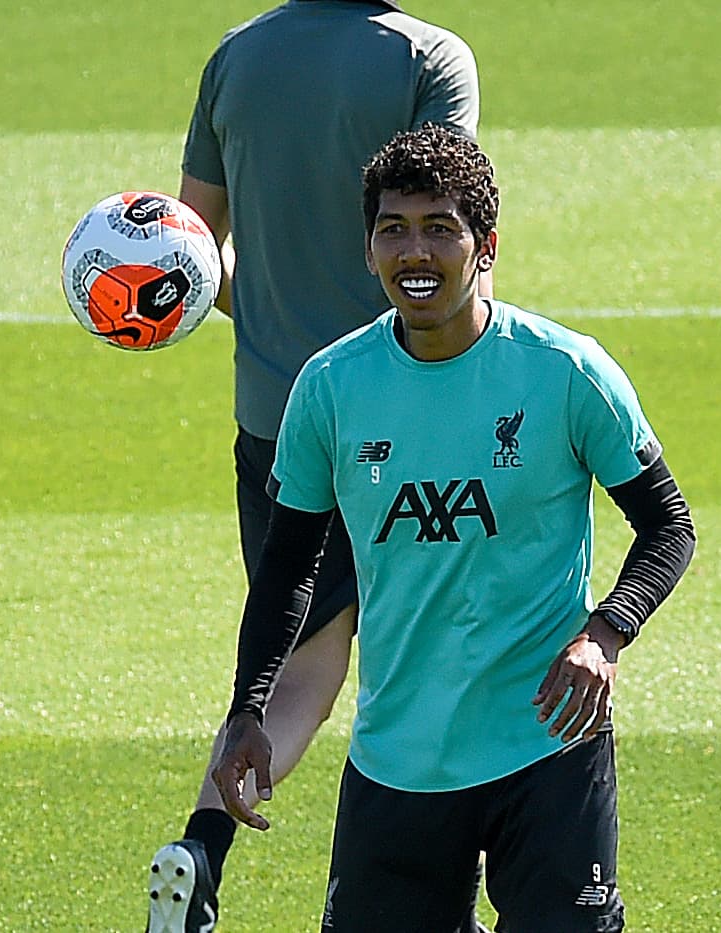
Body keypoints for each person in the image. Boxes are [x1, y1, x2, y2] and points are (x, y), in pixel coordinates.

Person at [212, 124, 697, 932]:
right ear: (366, 251)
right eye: (393, 230)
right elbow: (290, 565)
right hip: (398, 757)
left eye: (441, 228)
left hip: (545, 746)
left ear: (486, 246)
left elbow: (667, 524)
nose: (416, 252)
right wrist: (247, 707)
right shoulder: (330, 388)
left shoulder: (565, 371)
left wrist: (604, 633)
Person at [145, 4, 482, 932]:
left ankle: (201, 850)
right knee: (441, 661)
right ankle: (443, 888)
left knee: (301, 668)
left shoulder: (236, 55)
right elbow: (446, 226)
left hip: (275, 417)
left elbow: (193, 248)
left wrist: (270, 320)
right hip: (406, 409)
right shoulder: (427, 57)